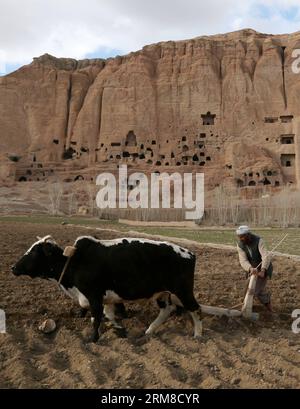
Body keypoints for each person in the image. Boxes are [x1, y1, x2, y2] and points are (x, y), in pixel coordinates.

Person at [236, 225, 273, 312]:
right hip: (251, 268)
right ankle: (247, 306)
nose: (241, 239)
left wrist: (263, 270)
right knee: (248, 288)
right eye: (239, 237)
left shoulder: (259, 241)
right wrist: (250, 268)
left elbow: (265, 256)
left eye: (243, 236)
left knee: (255, 290)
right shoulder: (240, 245)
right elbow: (243, 260)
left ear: (248, 235)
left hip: (264, 267)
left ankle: (265, 304)